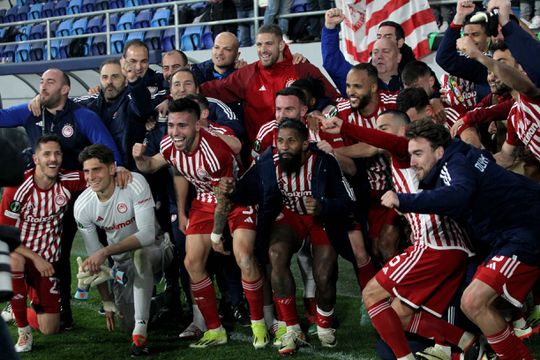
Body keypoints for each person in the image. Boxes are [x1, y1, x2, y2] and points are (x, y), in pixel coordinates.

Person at [321, 112, 478, 360]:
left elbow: (392, 143)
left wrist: (346, 126)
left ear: (405, 131)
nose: (379, 134)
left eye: (384, 128)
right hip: (445, 244)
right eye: (377, 129)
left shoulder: (406, 154)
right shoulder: (408, 160)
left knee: (372, 294)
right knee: (399, 313)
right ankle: (466, 342)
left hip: (435, 245)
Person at [381, 119, 540, 360]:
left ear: (439, 151)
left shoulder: (454, 165)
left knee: (475, 301)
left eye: (418, 154)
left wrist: (404, 200)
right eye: (410, 155)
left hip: (527, 231)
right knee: (472, 301)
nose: (412, 162)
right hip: (513, 232)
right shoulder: (460, 155)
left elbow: (458, 194)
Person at [132, 98, 267, 349]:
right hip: (205, 201)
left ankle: (259, 324)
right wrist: (140, 159)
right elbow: (151, 166)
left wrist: (216, 235)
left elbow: (225, 198)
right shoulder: (169, 145)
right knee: (192, 262)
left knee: (244, 257)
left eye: (182, 126)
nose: (175, 132)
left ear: (197, 126)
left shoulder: (214, 150)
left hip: (237, 200)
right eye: (171, 125)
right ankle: (215, 330)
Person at [0, 67, 126, 330]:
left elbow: (106, 149)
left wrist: (120, 166)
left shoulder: (83, 116)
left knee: (80, 249)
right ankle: (36, 306)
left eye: (50, 82)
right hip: (37, 197)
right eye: (42, 81)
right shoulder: (31, 111)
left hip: (75, 194)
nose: (43, 86)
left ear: (65, 89)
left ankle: (105, 304)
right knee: (35, 252)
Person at [226, 119, 355, 354]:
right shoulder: (269, 162)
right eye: (280, 141)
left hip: (320, 218)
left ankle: (325, 324)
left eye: (291, 141)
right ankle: (292, 328)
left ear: (306, 144)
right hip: (289, 216)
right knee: (276, 254)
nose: (284, 147)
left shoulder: (324, 162)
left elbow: (349, 200)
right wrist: (232, 188)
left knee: (324, 273)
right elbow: (245, 189)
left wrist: (323, 206)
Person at [74, 144, 172, 356]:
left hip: (157, 248)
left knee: (140, 256)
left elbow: (146, 235)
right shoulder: (83, 207)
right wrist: (106, 301)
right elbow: (95, 261)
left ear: (112, 169)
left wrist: (106, 251)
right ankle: (162, 302)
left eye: (97, 169)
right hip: (121, 265)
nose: (91, 177)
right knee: (126, 322)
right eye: (86, 171)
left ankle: (140, 336)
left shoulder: (133, 182)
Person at [0, 135, 87, 353]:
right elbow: (4, 235)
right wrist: (36, 259)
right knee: (15, 259)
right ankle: (23, 332)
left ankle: (19, 306)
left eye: (57, 153)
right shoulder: (18, 188)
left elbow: (97, 174)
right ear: (36, 159)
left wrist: (122, 171)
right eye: (46, 154)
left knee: (51, 328)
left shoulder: (68, 180)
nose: (53, 159)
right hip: (22, 254)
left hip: (47, 261)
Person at [200, 24, 340, 143]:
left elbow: (334, 100)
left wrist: (319, 111)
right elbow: (215, 89)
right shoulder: (247, 74)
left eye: (269, 44)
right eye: (259, 44)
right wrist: (186, 86)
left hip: (300, 150)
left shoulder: (302, 68)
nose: (263, 50)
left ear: (281, 45)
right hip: (260, 155)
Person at [334, 63, 401, 262]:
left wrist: (334, 152)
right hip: (368, 195)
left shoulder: (393, 104)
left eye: (357, 87)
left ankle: (404, 291)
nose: (350, 92)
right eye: (348, 86)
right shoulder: (342, 111)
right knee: (375, 250)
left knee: (387, 245)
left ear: (373, 87)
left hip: (398, 188)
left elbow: (375, 146)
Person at [322, 9, 415, 95]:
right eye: (375, 52)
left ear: (399, 56)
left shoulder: (417, 77)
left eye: (386, 51)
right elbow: (333, 63)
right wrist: (330, 29)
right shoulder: (359, 79)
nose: (379, 56)